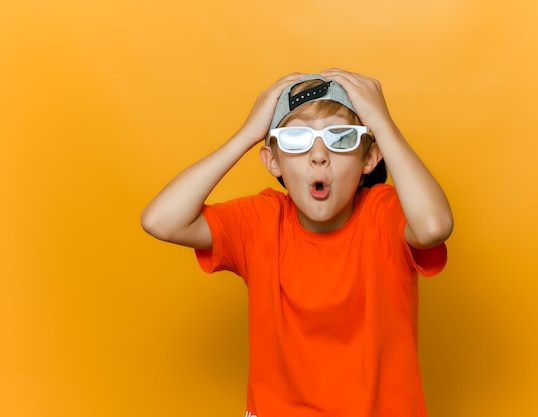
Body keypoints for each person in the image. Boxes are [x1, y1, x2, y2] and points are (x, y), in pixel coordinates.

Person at [141, 68, 453, 417]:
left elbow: (433, 226)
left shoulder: (384, 214)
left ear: (369, 157)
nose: (318, 155)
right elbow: (160, 220)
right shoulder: (260, 222)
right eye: (296, 140)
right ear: (273, 160)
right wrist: (246, 135)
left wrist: (383, 123)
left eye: (340, 137)